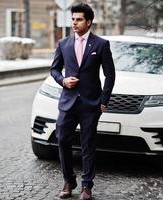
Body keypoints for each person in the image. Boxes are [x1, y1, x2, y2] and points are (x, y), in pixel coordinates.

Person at [50, 3, 115, 200]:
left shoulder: (101, 44)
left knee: (88, 145)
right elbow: (54, 69)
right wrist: (63, 80)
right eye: (73, 19)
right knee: (62, 140)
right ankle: (69, 181)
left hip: (90, 105)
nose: (74, 23)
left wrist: (103, 102)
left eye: (78, 20)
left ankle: (87, 186)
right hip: (67, 103)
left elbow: (110, 75)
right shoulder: (63, 44)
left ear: (89, 22)